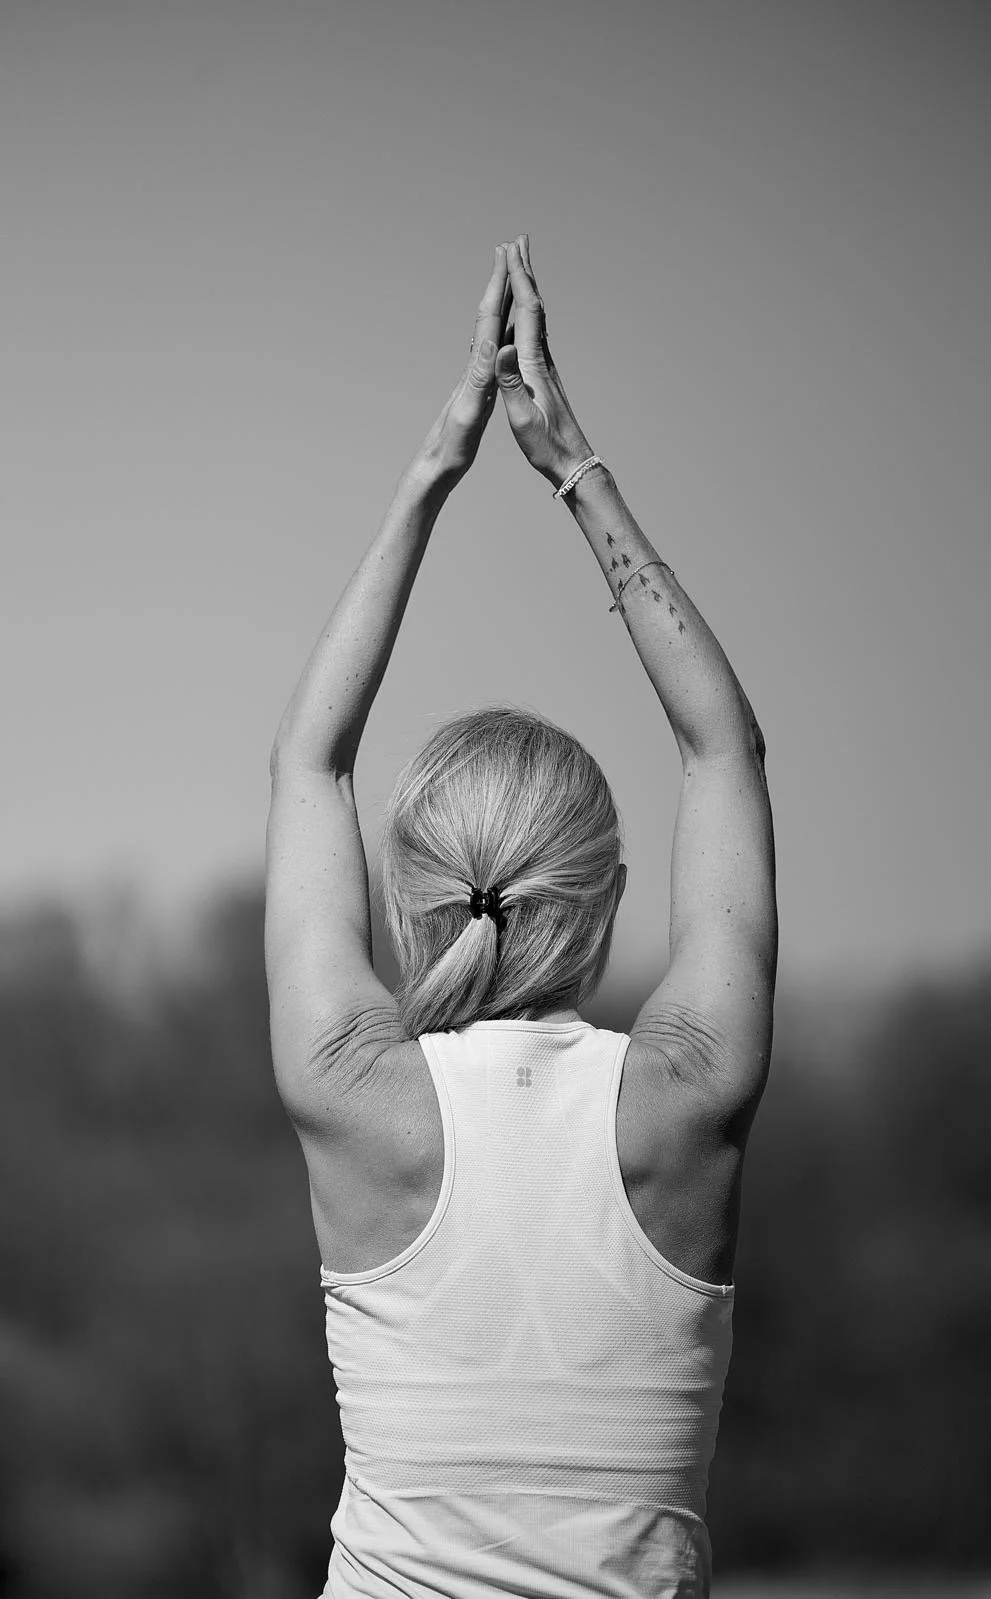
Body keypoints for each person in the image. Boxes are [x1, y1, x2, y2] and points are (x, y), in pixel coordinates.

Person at [265, 235, 777, 1598]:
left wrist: (436, 468)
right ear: (606, 897)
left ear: (405, 897)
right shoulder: (688, 1091)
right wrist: (572, 467)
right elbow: (722, 751)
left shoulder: (351, 1092)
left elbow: (309, 757)